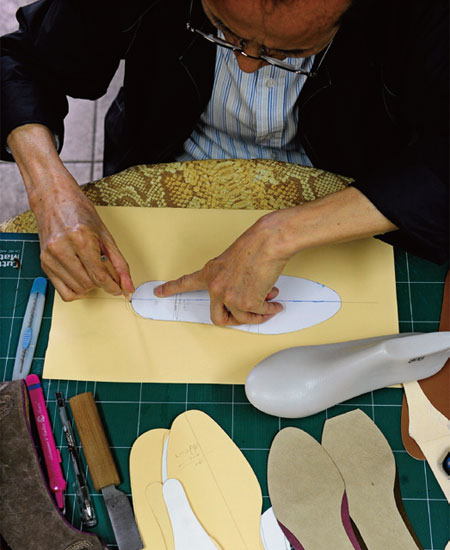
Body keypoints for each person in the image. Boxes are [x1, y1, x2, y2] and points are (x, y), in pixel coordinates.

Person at [1, 0, 448, 325]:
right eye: (221, 29)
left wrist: (281, 233)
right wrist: (50, 192)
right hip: (163, 158)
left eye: (289, 54)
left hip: (355, 196)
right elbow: (20, 61)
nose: (249, 65)